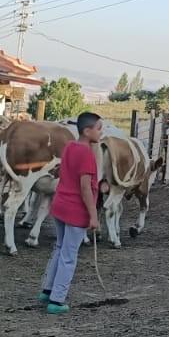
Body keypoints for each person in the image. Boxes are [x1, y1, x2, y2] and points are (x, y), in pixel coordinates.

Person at [40, 112, 104, 315]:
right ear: (87, 131)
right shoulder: (86, 154)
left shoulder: (70, 147)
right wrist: (93, 216)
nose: (101, 132)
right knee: (69, 254)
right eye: (99, 128)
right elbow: (86, 187)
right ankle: (57, 300)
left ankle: (47, 290)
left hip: (60, 205)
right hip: (76, 210)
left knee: (59, 248)